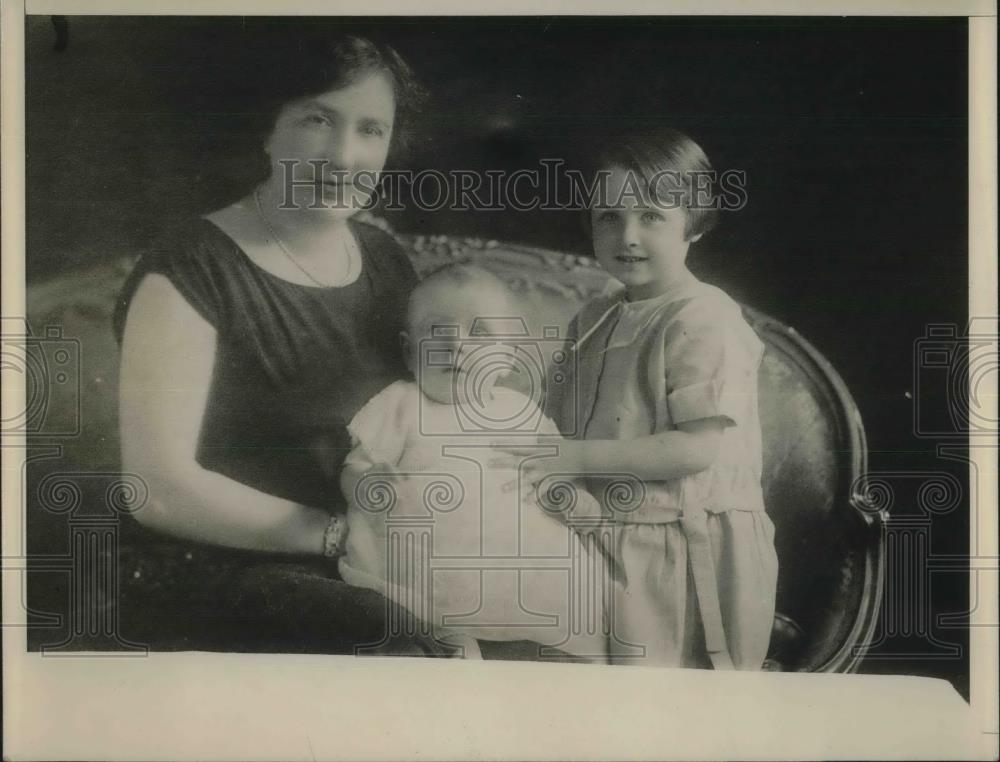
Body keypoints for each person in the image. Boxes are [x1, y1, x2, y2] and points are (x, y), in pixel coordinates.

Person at [113, 33, 441, 654]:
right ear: (266, 130)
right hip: (221, 565)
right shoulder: (191, 268)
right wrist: (339, 536)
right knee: (400, 647)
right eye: (318, 119)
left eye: (371, 129)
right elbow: (156, 488)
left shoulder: (385, 258)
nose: (345, 156)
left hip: (364, 555)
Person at [501, 128, 778, 669]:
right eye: (608, 217)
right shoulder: (598, 315)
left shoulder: (703, 317)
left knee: (669, 699)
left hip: (682, 543)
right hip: (606, 531)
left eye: (652, 216)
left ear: (693, 223)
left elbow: (695, 450)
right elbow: (565, 421)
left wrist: (573, 459)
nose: (627, 235)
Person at [337, 265, 611, 661]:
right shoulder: (401, 404)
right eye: (436, 331)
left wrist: (570, 498)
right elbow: (354, 467)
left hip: (525, 567)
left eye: (480, 333)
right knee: (420, 631)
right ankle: (452, 642)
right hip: (429, 573)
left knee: (571, 606)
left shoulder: (523, 412)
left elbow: (556, 471)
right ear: (408, 351)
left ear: (510, 357)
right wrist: (369, 484)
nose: (457, 345)